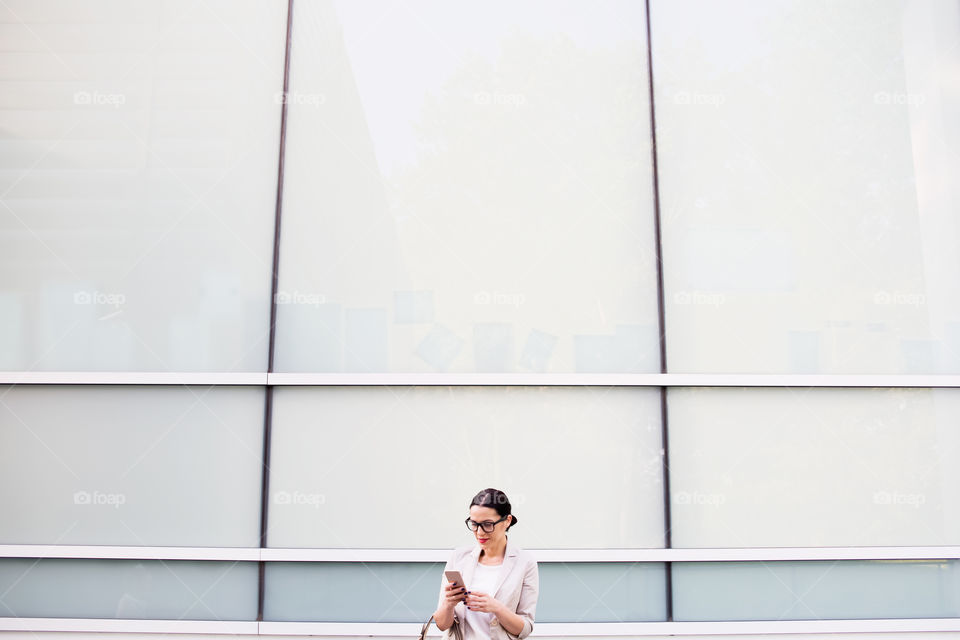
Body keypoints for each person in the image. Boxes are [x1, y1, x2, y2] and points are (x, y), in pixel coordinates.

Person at [433, 488, 539, 640]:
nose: (480, 532)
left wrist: (496, 608)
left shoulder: (525, 563)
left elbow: (525, 628)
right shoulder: (458, 558)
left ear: (507, 521)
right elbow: (442, 625)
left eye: (488, 524)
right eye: (474, 524)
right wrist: (448, 605)